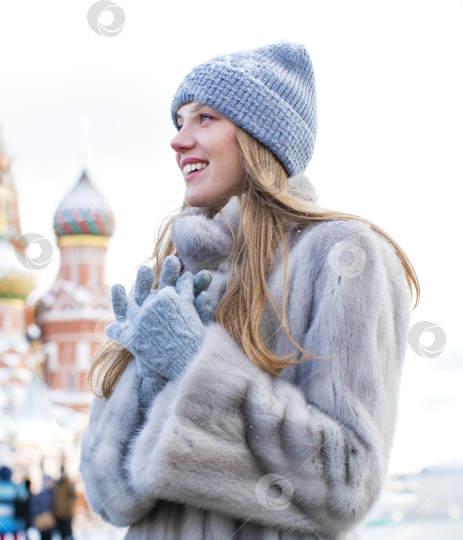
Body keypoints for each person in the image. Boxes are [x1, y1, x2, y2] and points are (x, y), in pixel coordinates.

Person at [79, 40, 420, 539]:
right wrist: (152, 384)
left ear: (261, 137)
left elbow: (346, 480)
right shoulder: (177, 270)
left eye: (205, 118)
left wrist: (196, 365)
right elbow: (109, 496)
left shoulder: (345, 256)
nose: (178, 140)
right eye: (178, 121)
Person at [0, 465, 29, 540]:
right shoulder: (14, 487)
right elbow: (24, 495)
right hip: (13, 516)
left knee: (1, 535)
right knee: (15, 534)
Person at [51, 467, 76, 540]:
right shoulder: (57, 484)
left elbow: (74, 496)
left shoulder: (68, 483)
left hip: (67, 514)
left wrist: (67, 504)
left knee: (68, 534)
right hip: (58, 514)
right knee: (62, 534)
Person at [29, 476, 56, 540]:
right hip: (42, 520)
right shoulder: (40, 494)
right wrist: (40, 513)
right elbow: (34, 506)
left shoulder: (54, 494)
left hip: (50, 520)